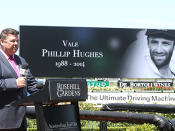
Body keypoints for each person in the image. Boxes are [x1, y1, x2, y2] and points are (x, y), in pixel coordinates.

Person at [0, 28, 38, 130]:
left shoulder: (20, 60)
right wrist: (14, 83)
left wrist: (48, 95)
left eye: (17, 41)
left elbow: (31, 84)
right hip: (3, 120)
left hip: (21, 120)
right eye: (12, 41)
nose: (16, 43)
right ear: (2, 42)